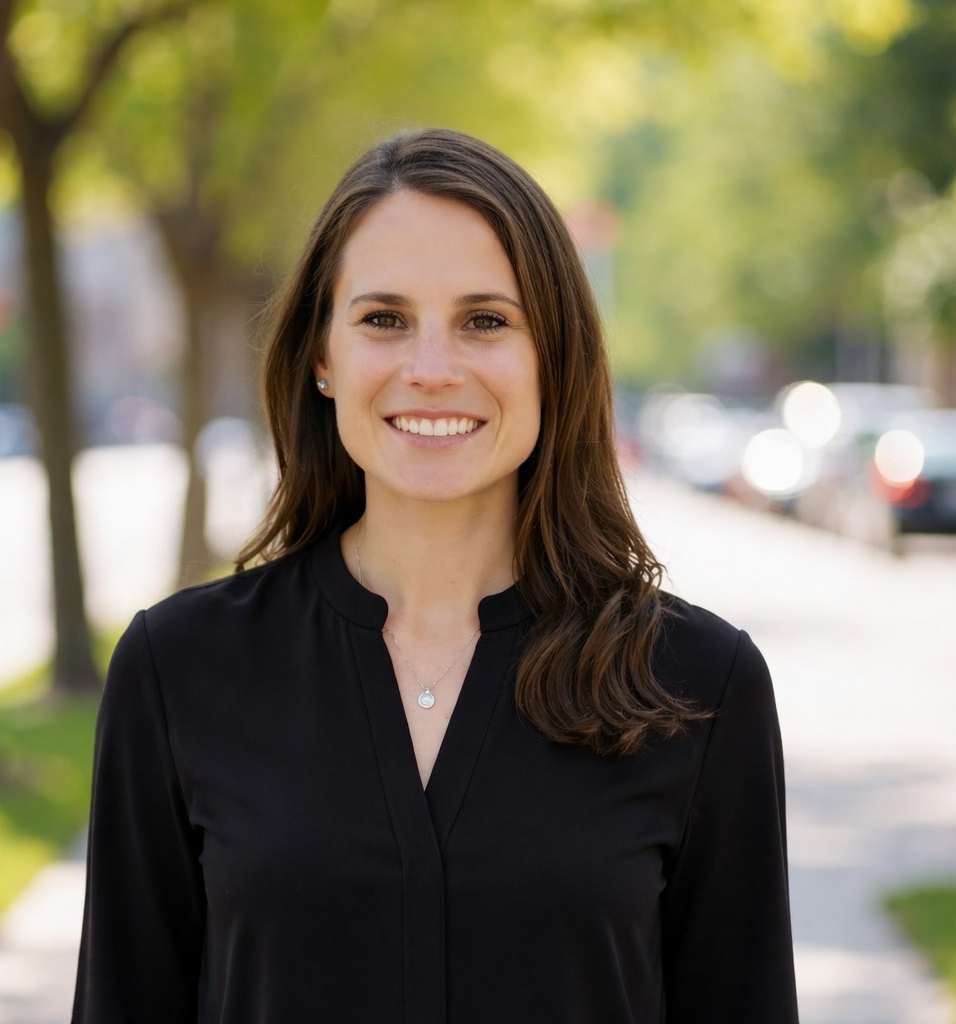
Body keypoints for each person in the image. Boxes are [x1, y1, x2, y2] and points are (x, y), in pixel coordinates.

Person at [72, 127, 798, 1023]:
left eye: (485, 321)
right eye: (384, 320)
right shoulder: (179, 670)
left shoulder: (698, 686)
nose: (431, 370)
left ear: (552, 358)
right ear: (323, 358)